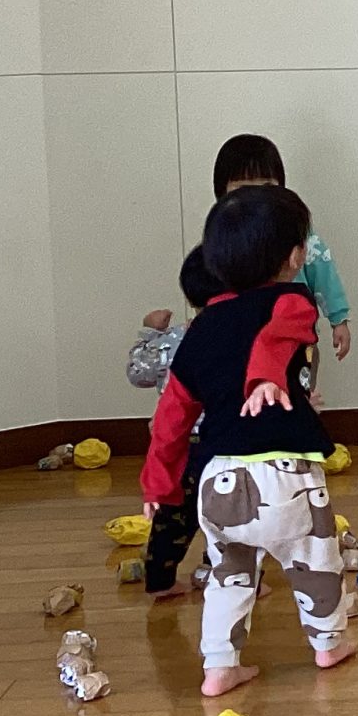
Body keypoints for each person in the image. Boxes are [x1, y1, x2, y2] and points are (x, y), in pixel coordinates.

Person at [141, 184, 353, 693]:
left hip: (216, 479)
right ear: (295, 257)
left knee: (228, 575)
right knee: (315, 561)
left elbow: (170, 418)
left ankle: (220, 666)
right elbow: (276, 337)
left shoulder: (201, 329)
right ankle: (328, 643)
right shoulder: (293, 301)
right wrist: (264, 377)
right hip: (284, 473)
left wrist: (158, 485)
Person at [212, 134, 353, 364]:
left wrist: (339, 320)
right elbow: (206, 281)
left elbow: (324, 273)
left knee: (299, 376)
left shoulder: (294, 229)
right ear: (223, 193)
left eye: (267, 186)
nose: (257, 197)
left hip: (295, 337)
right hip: (241, 340)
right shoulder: (223, 235)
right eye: (243, 188)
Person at [140, 246, 222, 602]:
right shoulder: (237, 337)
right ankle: (228, 577)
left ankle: (160, 579)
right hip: (220, 444)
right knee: (229, 514)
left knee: (173, 516)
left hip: (179, 443)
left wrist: (150, 333)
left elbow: (138, 373)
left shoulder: (174, 339)